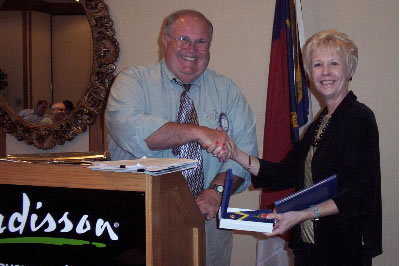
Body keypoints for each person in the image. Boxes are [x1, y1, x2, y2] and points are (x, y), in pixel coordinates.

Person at [211, 29, 382, 265]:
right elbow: (284, 173)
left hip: (342, 247)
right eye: (318, 65)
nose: (325, 72)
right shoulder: (321, 123)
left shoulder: (359, 118)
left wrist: (301, 215)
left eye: (334, 63)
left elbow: (359, 194)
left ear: (349, 69)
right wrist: (235, 153)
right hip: (311, 246)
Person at [105, 9, 258, 266]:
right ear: (164, 40)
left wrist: (216, 191)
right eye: (183, 39)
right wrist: (198, 132)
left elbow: (244, 154)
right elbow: (132, 130)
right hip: (140, 222)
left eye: (201, 42)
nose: (192, 49)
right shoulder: (132, 82)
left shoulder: (227, 91)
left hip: (208, 223)